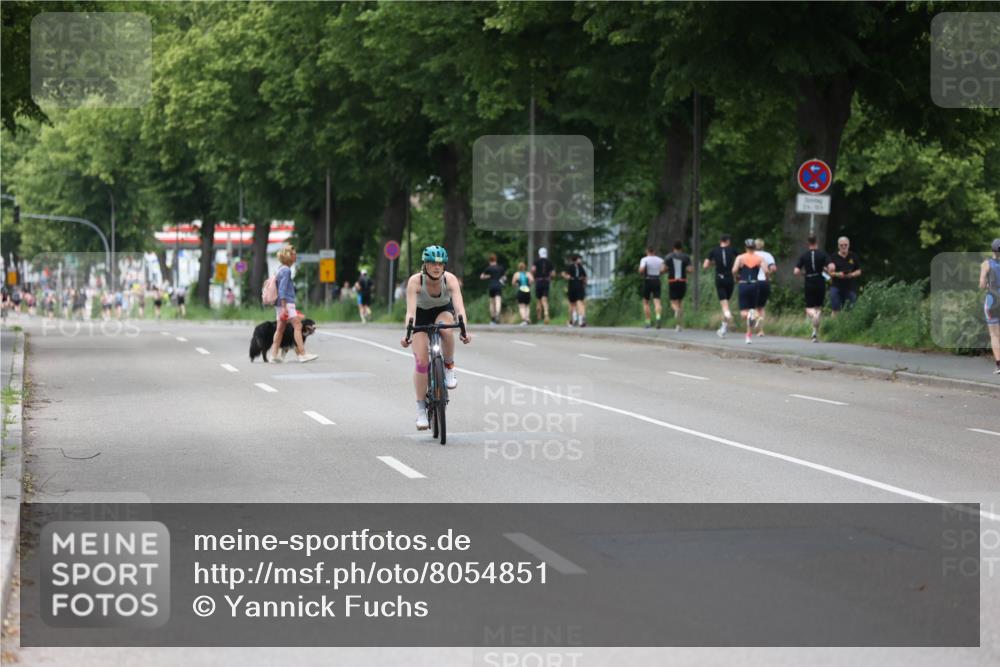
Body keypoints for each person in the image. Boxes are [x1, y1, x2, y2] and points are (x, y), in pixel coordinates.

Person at [400, 245, 472, 430]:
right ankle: (421, 411)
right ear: (425, 264)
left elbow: (459, 309)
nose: (437, 267)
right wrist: (407, 333)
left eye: (440, 263)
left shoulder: (450, 280)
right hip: (420, 315)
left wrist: (464, 331)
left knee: (446, 330)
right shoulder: (415, 281)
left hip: (442, 312)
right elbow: (410, 312)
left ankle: (448, 366)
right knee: (422, 361)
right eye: (432, 263)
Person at [268, 245, 318, 364]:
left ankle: (273, 355)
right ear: (288, 256)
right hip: (286, 303)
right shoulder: (286, 270)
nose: (295, 256)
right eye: (294, 254)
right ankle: (302, 354)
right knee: (298, 326)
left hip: (279, 304)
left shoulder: (280, 269)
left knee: (280, 329)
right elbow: (282, 289)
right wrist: (285, 305)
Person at [794, 235, 829, 342]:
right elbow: (830, 267)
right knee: (818, 307)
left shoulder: (804, 255)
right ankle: (814, 333)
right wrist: (826, 271)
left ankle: (814, 315)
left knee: (809, 307)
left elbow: (796, 271)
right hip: (820, 281)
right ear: (817, 241)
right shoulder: (823, 254)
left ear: (808, 243)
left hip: (809, 281)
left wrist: (804, 273)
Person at [703, 234, 736, 337]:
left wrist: (714, 263)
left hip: (720, 278)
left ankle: (728, 316)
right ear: (727, 241)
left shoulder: (713, 251)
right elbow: (740, 261)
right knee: (727, 304)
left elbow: (705, 266)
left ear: (720, 241)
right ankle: (723, 329)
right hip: (730, 278)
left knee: (725, 306)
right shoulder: (733, 250)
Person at [732, 238, 764, 344]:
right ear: (754, 247)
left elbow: (734, 270)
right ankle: (749, 334)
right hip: (755, 284)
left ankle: (750, 330)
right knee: (751, 310)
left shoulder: (740, 258)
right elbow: (767, 270)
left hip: (743, 284)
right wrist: (767, 277)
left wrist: (736, 277)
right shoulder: (759, 258)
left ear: (745, 247)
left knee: (743, 313)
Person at [827, 236, 861, 316]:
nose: (843, 247)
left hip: (850, 287)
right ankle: (833, 327)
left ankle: (847, 327)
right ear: (838, 246)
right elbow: (828, 273)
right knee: (835, 309)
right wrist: (837, 274)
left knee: (850, 311)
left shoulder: (854, 256)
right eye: (841, 245)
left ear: (848, 245)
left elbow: (859, 270)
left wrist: (852, 274)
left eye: (845, 245)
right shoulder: (832, 257)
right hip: (836, 286)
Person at [980, 238, 1000, 374]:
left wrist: (987, 284)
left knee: (994, 335)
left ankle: (999, 365)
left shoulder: (986, 264)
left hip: (992, 301)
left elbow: (982, 285)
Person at [663, 241, 693, 332]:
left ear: (673, 248)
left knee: (673, 302)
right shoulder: (686, 257)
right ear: (681, 248)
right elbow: (690, 270)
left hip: (672, 281)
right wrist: (686, 270)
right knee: (680, 302)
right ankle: (678, 325)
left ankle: (676, 311)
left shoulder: (668, 257)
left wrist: (667, 270)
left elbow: (662, 269)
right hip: (682, 281)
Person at [752, 239, 777, 336]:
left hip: (753, 282)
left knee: (752, 305)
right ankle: (760, 330)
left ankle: (757, 317)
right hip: (765, 282)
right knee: (761, 306)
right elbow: (773, 268)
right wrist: (768, 274)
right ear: (763, 245)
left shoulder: (750, 255)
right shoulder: (768, 255)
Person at [639, 247, 665, 329]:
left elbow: (641, 269)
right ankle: (658, 318)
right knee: (657, 302)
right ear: (654, 251)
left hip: (648, 280)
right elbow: (663, 270)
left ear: (647, 251)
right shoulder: (660, 260)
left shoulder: (644, 259)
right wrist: (658, 272)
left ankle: (648, 322)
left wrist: (640, 271)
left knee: (646, 302)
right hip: (657, 280)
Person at [531, 247, 555, 324]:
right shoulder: (549, 262)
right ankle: (546, 314)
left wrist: (534, 275)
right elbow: (553, 274)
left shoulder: (536, 262)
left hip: (538, 281)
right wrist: (550, 278)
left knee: (538, 300)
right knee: (544, 299)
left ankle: (539, 318)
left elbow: (533, 270)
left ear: (539, 254)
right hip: (546, 282)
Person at [480, 254, 507, 325]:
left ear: (490, 261)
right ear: (496, 260)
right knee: (498, 300)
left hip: (491, 286)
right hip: (498, 285)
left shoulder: (489, 268)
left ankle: (493, 317)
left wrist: (488, 276)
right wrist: (501, 279)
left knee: (492, 302)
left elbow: (482, 276)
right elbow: (505, 278)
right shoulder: (500, 267)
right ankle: (497, 313)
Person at [562, 254, 588, 327]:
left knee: (572, 304)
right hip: (579, 285)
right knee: (580, 302)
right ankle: (581, 319)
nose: (580, 260)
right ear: (577, 259)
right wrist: (584, 284)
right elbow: (585, 277)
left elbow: (566, 275)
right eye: (579, 259)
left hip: (572, 285)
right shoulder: (581, 267)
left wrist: (566, 276)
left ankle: (573, 318)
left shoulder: (570, 267)